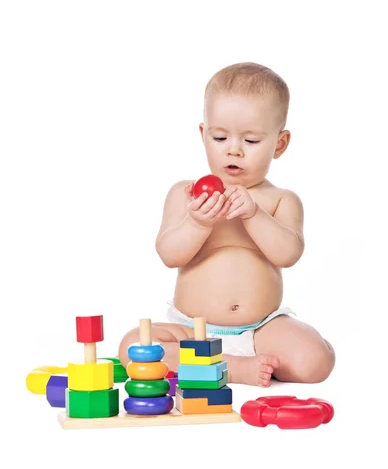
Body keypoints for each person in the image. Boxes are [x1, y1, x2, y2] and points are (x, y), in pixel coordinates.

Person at [118, 62, 335, 386]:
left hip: (261, 329)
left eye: (251, 141)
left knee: (316, 361)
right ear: (204, 134)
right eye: (220, 137)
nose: (234, 149)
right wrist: (197, 222)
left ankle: (213, 364)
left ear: (280, 144)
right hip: (192, 330)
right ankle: (233, 367)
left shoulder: (280, 200)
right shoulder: (187, 194)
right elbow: (169, 254)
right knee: (134, 346)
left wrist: (254, 215)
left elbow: (288, 254)